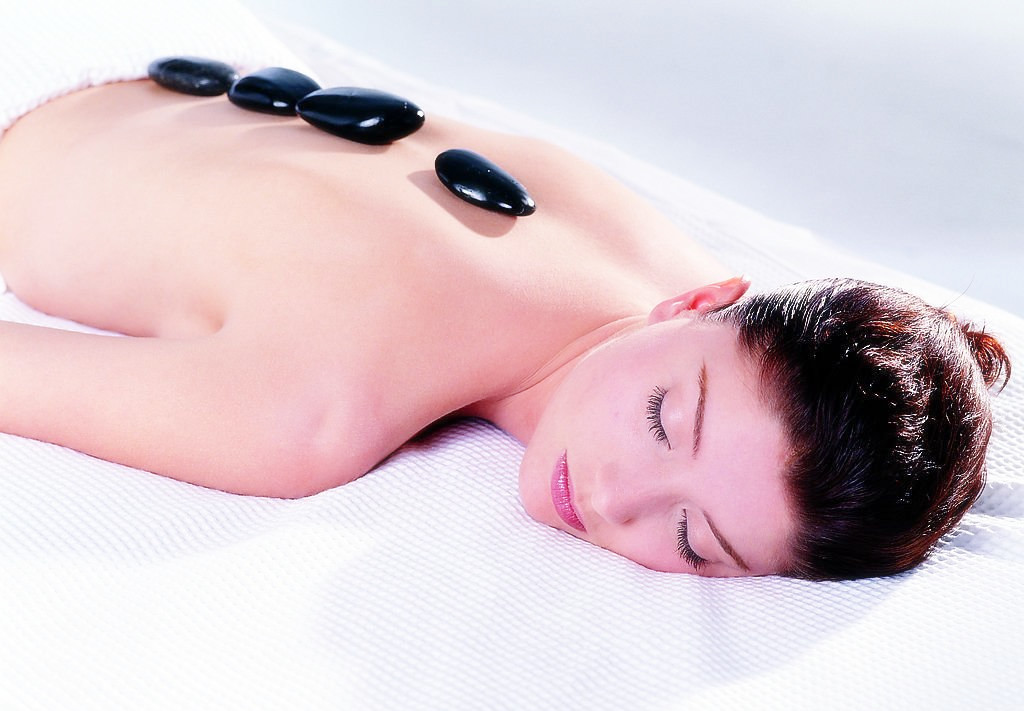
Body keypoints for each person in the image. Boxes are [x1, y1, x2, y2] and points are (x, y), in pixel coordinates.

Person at [0, 76, 1010, 581]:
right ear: (704, 305)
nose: (612, 496)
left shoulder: (676, 280)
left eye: (692, 540)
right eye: (662, 419)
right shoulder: (312, 412)